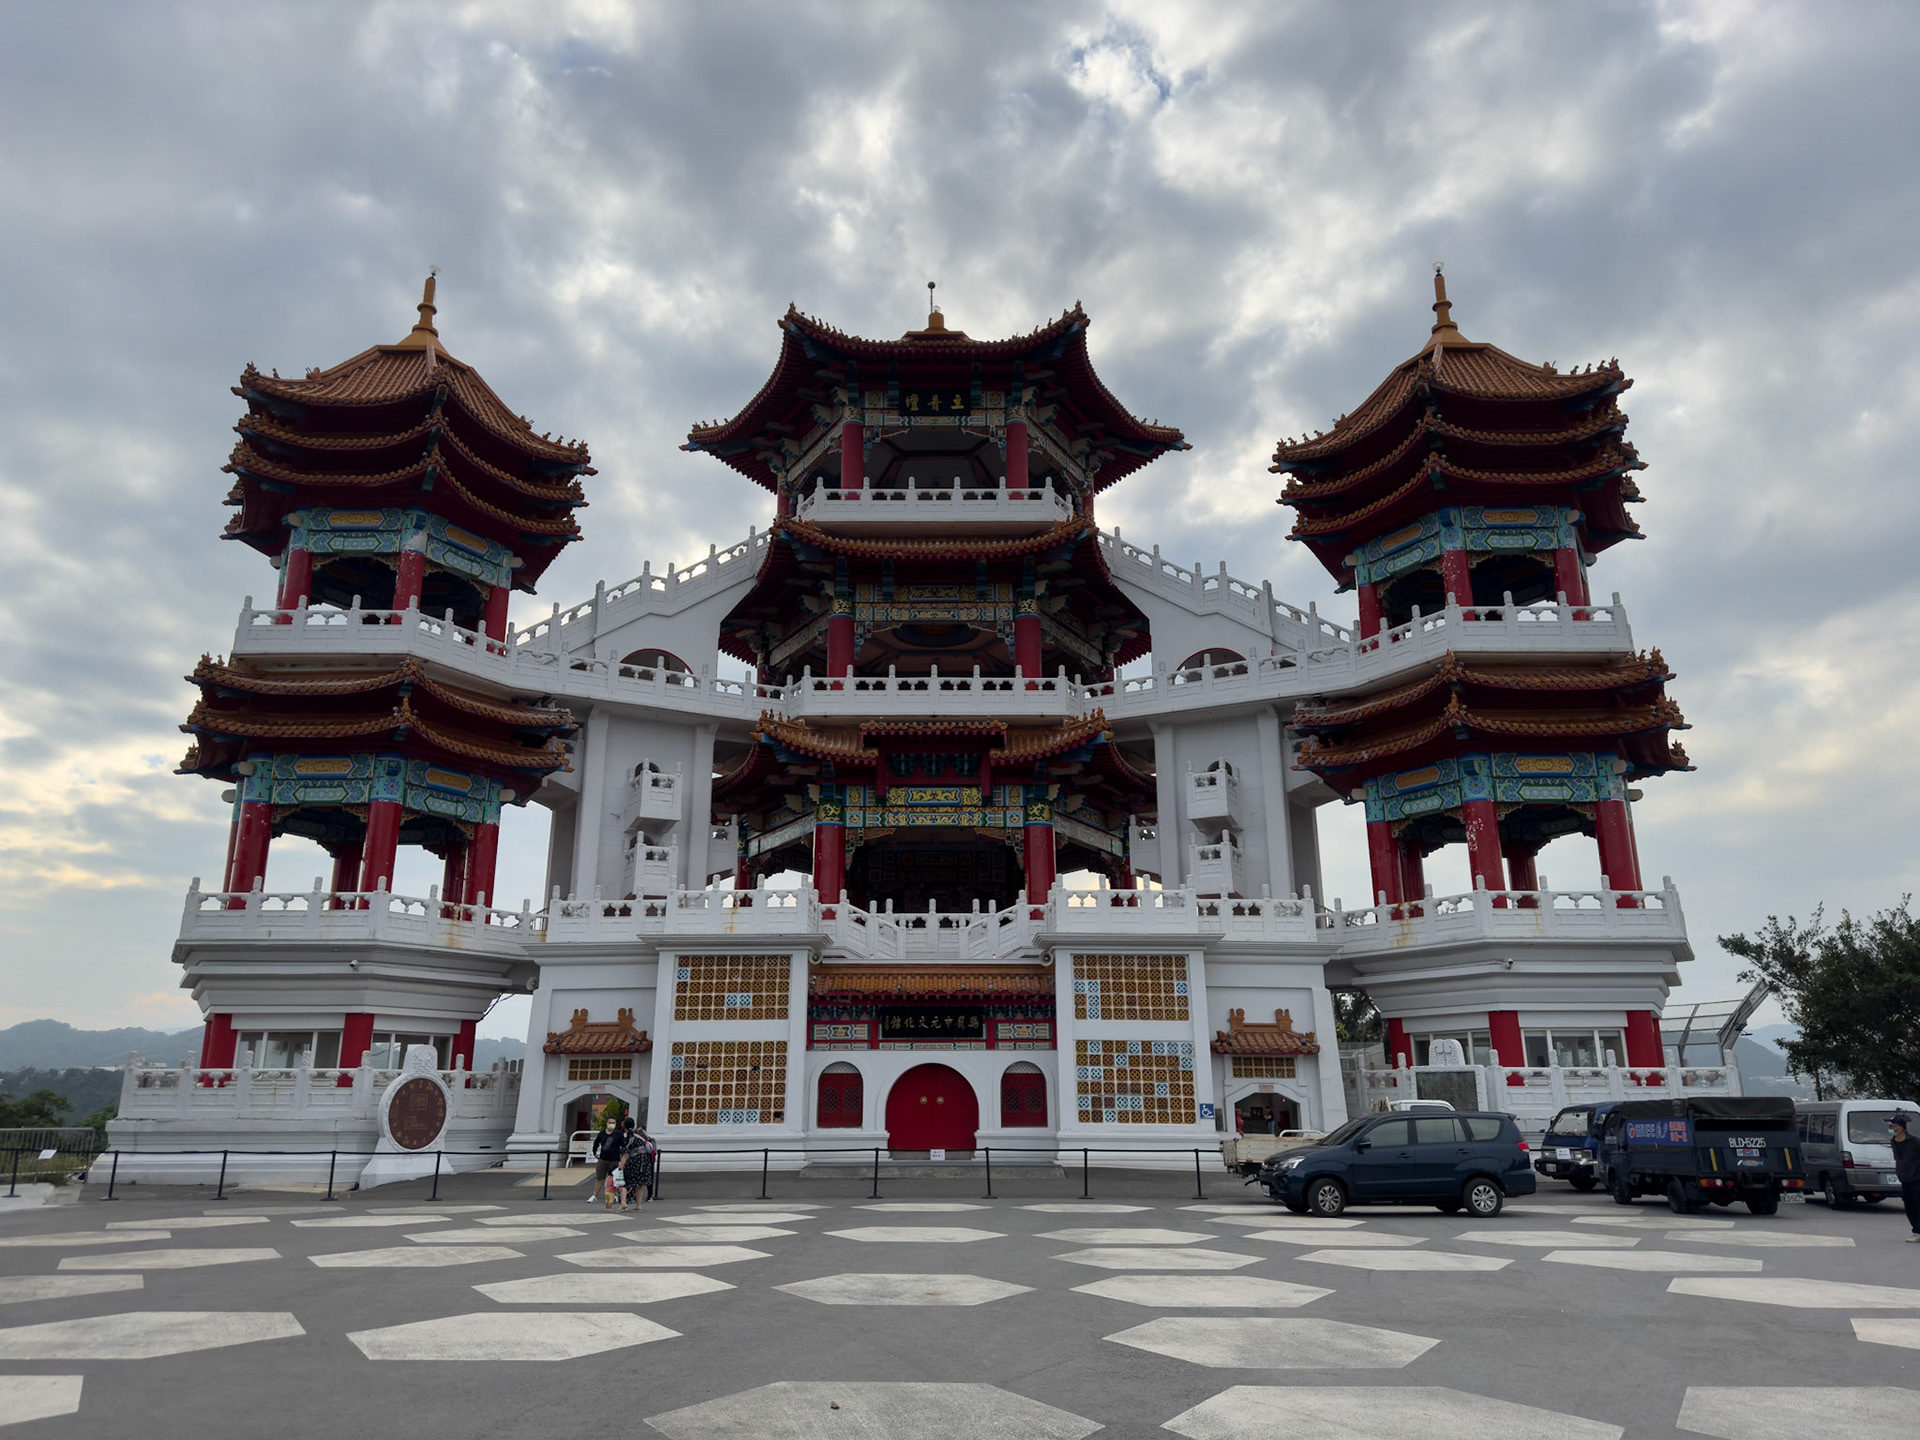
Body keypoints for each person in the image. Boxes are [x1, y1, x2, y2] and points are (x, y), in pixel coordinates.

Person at [1891, 1112, 1920, 1242]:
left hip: (1917, 1177)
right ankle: (1917, 1231)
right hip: (1905, 1178)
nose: (1891, 1128)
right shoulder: (1893, 1141)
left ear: (1901, 1128)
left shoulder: (1915, 1142)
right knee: (1909, 1205)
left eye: (1893, 1126)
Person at [589, 1114, 622, 1206]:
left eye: (613, 1123)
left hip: (615, 1159)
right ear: (606, 1123)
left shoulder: (619, 1134)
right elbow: (596, 1143)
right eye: (610, 1122)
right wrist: (594, 1152)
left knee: (615, 1178)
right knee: (600, 1177)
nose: (611, 1124)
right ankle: (594, 1195)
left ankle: (615, 1195)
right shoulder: (602, 1134)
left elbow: (623, 1145)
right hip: (603, 1158)